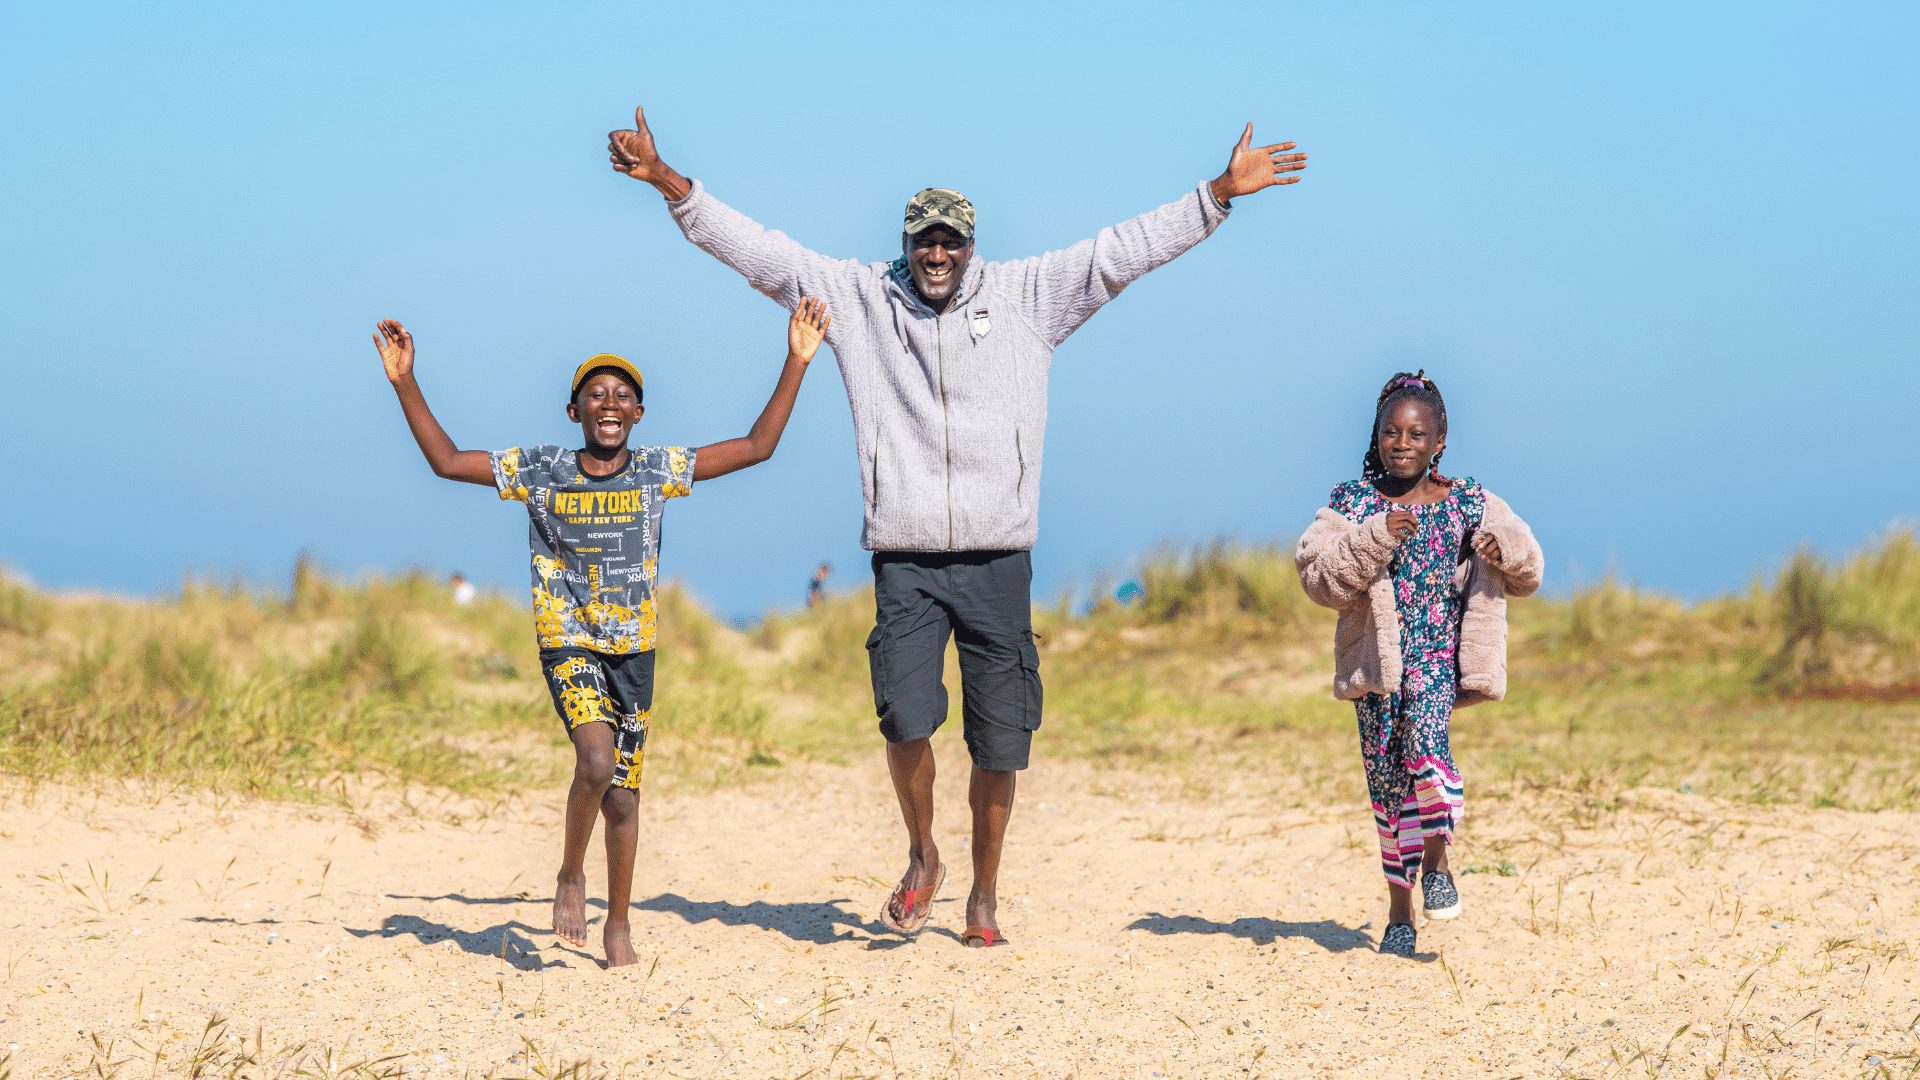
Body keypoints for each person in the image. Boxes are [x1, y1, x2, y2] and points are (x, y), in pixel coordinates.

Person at [607, 105, 1308, 947]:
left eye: (951, 240)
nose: (936, 254)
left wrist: (1218, 195)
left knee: (1001, 742)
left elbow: (1119, 253)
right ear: (906, 244)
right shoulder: (862, 299)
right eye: (922, 240)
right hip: (904, 559)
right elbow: (761, 253)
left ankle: (984, 894)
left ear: (971, 245)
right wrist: (668, 183)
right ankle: (923, 855)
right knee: (905, 719)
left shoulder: (1030, 298)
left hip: (998, 557)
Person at [371, 298, 830, 968]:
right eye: (595, 394)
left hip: (633, 652)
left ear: (638, 414)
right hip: (569, 643)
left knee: (623, 795)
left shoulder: (655, 472)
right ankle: (568, 874)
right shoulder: (541, 470)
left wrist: (796, 360)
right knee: (595, 761)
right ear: (574, 411)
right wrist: (405, 380)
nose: (609, 403)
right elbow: (446, 460)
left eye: (623, 395)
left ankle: (619, 921)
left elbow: (758, 447)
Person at [1294, 371, 1543, 958]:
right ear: (1377, 436)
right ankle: (1400, 914)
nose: (1401, 443)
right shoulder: (1353, 504)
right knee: (1388, 791)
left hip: (1437, 659)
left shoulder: (1470, 502)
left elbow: (1529, 567)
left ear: (1439, 440)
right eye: (1390, 432)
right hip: (1377, 667)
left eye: (1416, 433)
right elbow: (1316, 576)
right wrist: (1376, 537)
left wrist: (1502, 548)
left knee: (1425, 749)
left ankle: (1436, 863)